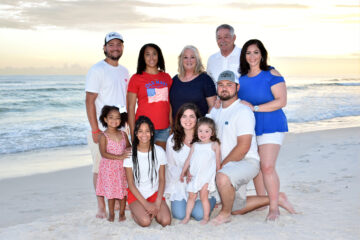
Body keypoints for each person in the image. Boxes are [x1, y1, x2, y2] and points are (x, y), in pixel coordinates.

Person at [209, 70, 295, 225]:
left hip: (246, 162)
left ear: (237, 87)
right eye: (221, 85)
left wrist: (220, 168)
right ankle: (276, 198)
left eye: (229, 85)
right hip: (229, 166)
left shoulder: (243, 111)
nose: (224, 88)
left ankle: (224, 214)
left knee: (222, 178)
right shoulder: (215, 111)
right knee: (237, 207)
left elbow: (243, 147)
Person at [238, 39, 289, 221]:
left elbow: (281, 101)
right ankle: (266, 200)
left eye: (256, 52)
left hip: (271, 125)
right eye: (248, 53)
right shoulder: (241, 79)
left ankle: (274, 208)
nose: (252, 56)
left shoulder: (270, 73)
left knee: (267, 167)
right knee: (257, 167)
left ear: (262, 54)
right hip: (251, 128)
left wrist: (256, 108)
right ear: (244, 56)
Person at [85, 32, 129, 218]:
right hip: (102, 129)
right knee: (100, 167)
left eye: (118, 44)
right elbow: (89, 101)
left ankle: (120, 201)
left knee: (121, 166)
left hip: (122, 128)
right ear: (104, 48)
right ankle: (101, 206)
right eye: (111, 45)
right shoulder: (97, 70)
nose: (115, 48)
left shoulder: (124, 71)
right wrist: (96, 129)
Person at [165, 103, 217, 221]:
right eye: (184, 116)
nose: (187, 120)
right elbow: (170, 166)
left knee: (199, 215)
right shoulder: (172, 140)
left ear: (197, 119)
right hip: (182, 183)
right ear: (179, 119)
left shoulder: (205, 137)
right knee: (180, 215)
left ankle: (212, 199)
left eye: (192, 116)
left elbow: (212, 163)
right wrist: (185, 171)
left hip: (202, 183)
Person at [124, 116, 171, 227]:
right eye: (140, 131)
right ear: (135, 133)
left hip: (153, 192)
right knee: (145, 222)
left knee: (166, 221)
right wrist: (146, 205)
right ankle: (134, 210)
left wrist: (158, 202)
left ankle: (147, 210)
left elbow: (162, 179)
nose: (144, 134)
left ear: (152, 133)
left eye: (147, 131)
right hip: (136, 194)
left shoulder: (159, 152)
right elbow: (130, 184)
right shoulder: (129, 154)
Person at [127, 43, 172, 150]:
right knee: (145, 162)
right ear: (143, 57)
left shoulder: (166, 77)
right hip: (143, 129)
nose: (151, 57)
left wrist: (172, 125)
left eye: (154, 54)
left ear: (159, 56)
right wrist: (133, 132)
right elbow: (131, 107)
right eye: (147, 54)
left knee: (160, 162)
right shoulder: (136, 78)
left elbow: (169, 104)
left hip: (164, 129)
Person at [179, 117, 221, 225]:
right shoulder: (195, 145)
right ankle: (187, 217)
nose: (203, 134)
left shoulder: (214, 145)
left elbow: (217, 162)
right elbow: (188, 160)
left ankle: (206, 217)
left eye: (207, 131)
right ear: (196, 131)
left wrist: (219, 175)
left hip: (206, 177)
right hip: (194, 175)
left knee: (203, 197)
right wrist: (183, 172)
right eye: (200, 131)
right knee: (191, 197)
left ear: (212, 132)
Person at [96, 105, 131, 222]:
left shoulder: (123, 134)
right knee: (111, 193)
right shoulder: (103, 136)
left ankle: (121, 214)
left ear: (121, 120)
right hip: (109, 168)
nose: (114, 120)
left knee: (123, 191)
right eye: (111, 117)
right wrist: (119, 156)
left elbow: (129, 146)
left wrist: (128, 150)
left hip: (122, 168)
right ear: (105, 119)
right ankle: (111, 214)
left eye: (117, 118)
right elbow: (103, 153)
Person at [170, 45, 216, 119]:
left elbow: (213, 106)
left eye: (192, 57)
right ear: (181, 60)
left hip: (198, 128)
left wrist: (204, 126)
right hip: (177, 128)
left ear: (197, 60)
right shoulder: (174, 81)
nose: (189, 60)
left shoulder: (205, 80)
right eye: (185, 57)